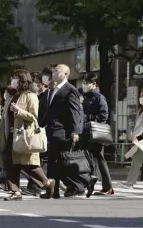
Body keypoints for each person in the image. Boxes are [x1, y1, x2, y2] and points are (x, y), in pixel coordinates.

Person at [0, 69, 55, 201]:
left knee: (29, 165)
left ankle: (47, 183)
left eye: (16, 78)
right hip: (10, 135)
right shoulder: (12, 96)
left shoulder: (31, 96)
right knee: (11, 163)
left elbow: (34, 117)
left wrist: (19, 111)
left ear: (22, 80)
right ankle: (15, 191)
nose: (13, 80)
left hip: (24, 135)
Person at [41, 64, 91, 199]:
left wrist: (75, 132)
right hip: (51, 129)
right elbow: (50, 111)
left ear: (65, 74)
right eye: (54, 70)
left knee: (61, 161)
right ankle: (55, 190)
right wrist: (40, 125)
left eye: (57, 71)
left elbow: (75, 111)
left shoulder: (70, 90)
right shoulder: (52, 89)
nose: (54, 73)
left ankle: (81, 184)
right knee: (54, 161)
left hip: (62, 130)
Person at [82, 73, 113, 196]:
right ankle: (91, 181)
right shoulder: (85, 96)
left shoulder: (99, 97)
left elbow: (103, 115)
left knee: (99, 158)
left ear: (94, 84)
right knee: (90, 158)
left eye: (86, 82)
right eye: (84, 82)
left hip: (95, 133)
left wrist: (87, 118)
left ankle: (107, 187)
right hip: (86, 133)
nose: (84, 85)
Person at [120, 88, 143, 189]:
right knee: (137, 161)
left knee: (138, 162)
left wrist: (137, 138)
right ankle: (130, 182)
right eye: (141, 96)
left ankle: (130, 182)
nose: (141, 98)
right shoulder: (142, 110)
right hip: (140, 141)